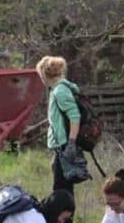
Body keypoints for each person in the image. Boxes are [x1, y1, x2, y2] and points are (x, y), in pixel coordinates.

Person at [37, 55, 88, 201]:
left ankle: (63, 222)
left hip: (65, 145)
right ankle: (64, 221)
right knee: (64, 187)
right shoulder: (59, 89)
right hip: (61, 144)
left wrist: (71, 143)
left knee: (61, 189)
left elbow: (74, 116)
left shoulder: (60, 91)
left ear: (45, 74)